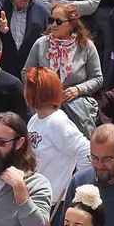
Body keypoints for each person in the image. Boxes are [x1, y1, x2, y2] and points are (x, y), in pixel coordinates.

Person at [24, 1, 103, 137]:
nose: (53, 25)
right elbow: (25, 72)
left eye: (59, 21)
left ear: (72, 24)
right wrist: (43, 86)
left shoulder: (86, 46)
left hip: (75, 102)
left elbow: (97, 78)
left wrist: (78, 89)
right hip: (44, 101)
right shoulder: (41, 43)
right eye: (51, 20)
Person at [22, 67, 93, 207]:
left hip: (53, 204)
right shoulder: (35, 119)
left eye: (27, 87)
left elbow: (85, 151)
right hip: (34, 197)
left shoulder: (58, 121)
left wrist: (75, 188)